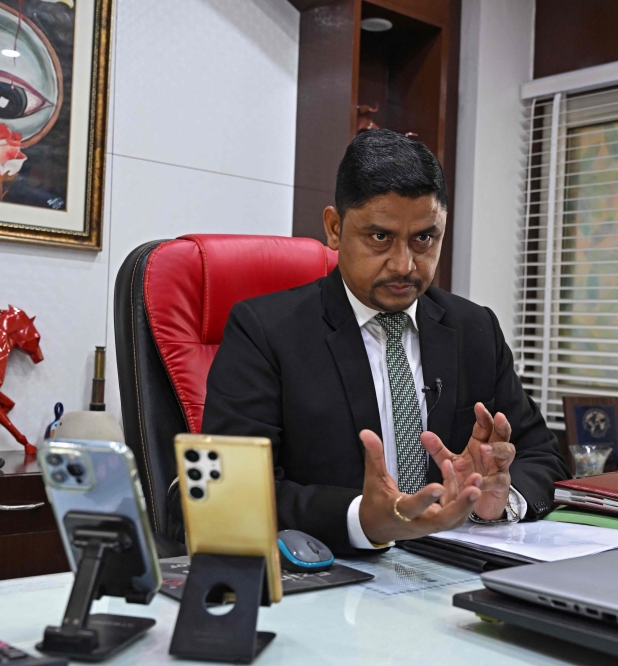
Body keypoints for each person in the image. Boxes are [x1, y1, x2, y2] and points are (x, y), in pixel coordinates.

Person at [200, 129, 570, 554]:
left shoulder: (475, 329)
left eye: (424, 239)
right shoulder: (265, 331)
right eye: (380, 237)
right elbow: (227, 491)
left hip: (455, 572)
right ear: (335, 229)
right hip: (334, 573)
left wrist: (499, 500)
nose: (404, 264)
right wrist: (361, 519)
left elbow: (542, 456)